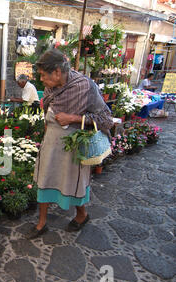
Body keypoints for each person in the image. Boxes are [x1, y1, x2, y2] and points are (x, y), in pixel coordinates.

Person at [28, 49, 113, 239]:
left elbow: (106, 119)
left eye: (43, 75)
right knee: (44, 180)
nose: (41, 80)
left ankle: (82, 215)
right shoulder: (52, 88)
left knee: (73, 183)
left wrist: (73, 117)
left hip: (72, 147)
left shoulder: (84, 86)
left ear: (57, 71)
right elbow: (48, 111)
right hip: (50, 142)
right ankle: (42, 223)